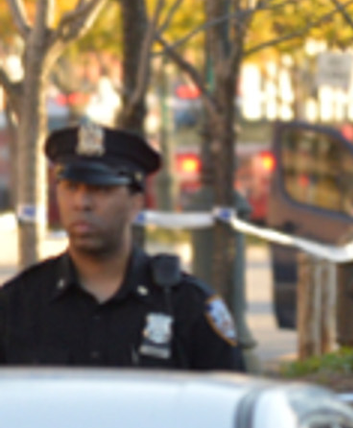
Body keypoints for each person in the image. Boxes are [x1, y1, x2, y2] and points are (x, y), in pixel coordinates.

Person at [0, 120, 243, 371]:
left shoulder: (185, 307)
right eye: (71, 187)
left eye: (101, 189)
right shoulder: (20, 304)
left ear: (136, 203)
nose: (82, 202)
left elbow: (225, 399)